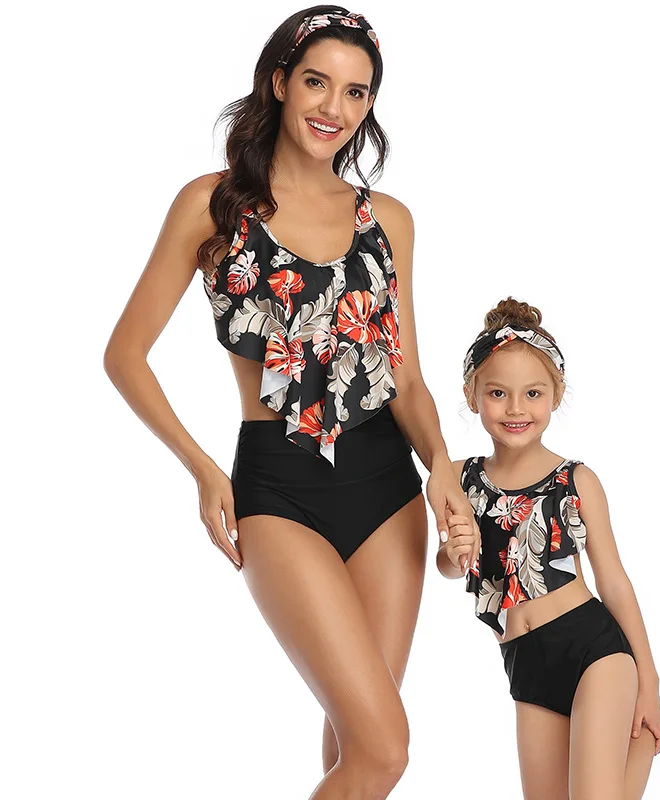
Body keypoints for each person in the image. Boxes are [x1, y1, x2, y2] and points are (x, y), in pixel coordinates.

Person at [103, 7, 477, 798]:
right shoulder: (213, 207)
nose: (334, 107)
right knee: (385, 751)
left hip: (389, 492)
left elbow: (405, 379)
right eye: (316, 82)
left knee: (355, 747)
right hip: (277, 488)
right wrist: (204, 470)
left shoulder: (388, 221)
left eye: (356, 92)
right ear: (279, 82)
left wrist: (442, 463)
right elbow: (125, 356)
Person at [438, 298, 660, 799]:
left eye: (532, 393)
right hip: (523, 662)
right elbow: (448, 564)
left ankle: (647, 718)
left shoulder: (576, 481)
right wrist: (452, 553)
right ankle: (656, 728)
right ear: (472, 395)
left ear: (555, 395)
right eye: (497, 393)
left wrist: (650, 685)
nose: (515, 408)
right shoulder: (456, 479)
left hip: (593, 650)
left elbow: (614, 584)